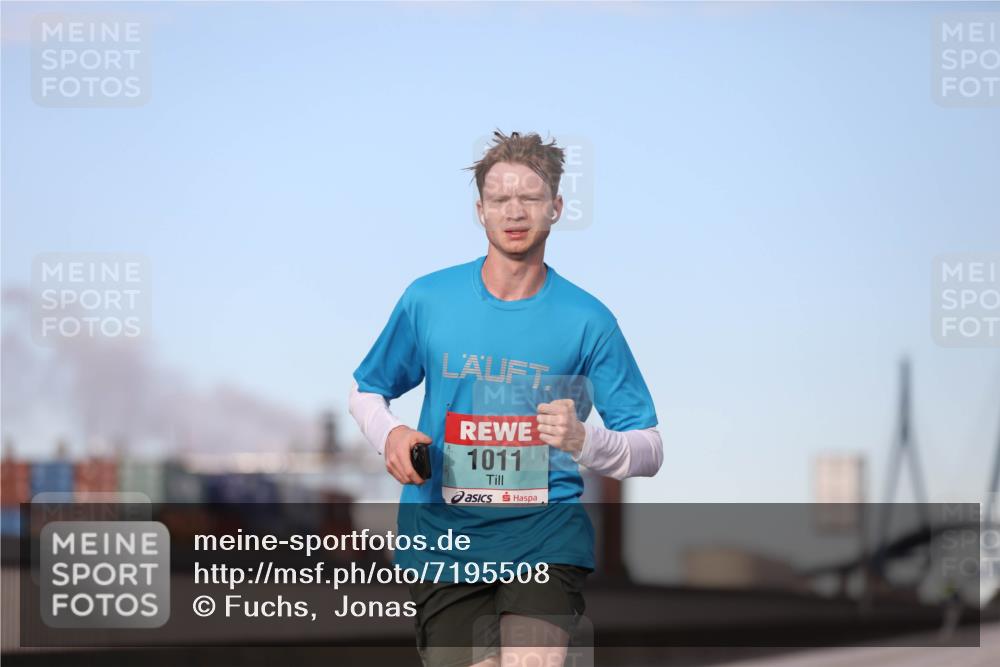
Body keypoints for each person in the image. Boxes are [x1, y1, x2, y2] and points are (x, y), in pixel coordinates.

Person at [348, 129, 663, 667]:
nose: (514, 212)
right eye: (500, 200)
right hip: (443, 539)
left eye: (530, 199)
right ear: (480, 210)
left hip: (545, 534)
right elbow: (365, 391)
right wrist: (392, 434)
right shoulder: (428, 299)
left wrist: (586, 440)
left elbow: (650, 448)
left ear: (557, 208)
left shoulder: (590, 321)